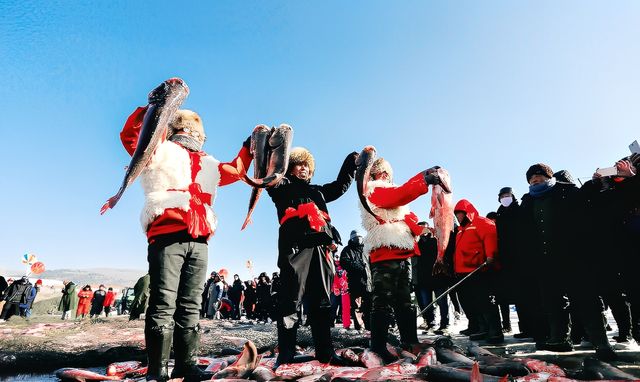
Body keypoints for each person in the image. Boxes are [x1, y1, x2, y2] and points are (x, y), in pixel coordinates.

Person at [118, 96, 253, 381]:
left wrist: (249, 145)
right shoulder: (158, 148)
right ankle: (157, 371)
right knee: (163, 302)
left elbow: (238, 170)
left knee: (191, 303)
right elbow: (131, 137)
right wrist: (153, 108)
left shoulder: (209, 163)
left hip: (200, 238)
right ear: (178, 128)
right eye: (189, 130)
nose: (194, 135)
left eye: (197, 132)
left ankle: (186, 365)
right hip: (167, 232)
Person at [266, 146, 357, 367]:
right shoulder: (280, 186)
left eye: (307, 165)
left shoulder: (318, 191)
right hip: (295, 246)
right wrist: (270, 148)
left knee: (322, 302)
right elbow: (268, 174)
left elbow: (340, 185)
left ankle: (325, 352)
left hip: (322, 249)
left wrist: (352, 161)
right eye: (299, 164)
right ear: (289, 168)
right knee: (290, 300)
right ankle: (286, 353)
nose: (304, 168)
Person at [519, 163, 615, 360]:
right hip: (545, 261)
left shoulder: (567, 192)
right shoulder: (528, 201)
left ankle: (601, 343)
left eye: (539, 176)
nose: (535, 180)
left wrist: (596, 183)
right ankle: (560, 340)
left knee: (586, 298)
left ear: (549, 177)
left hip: (574, 258)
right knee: (553, 302)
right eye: (531, 179)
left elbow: (588, 199)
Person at [359, 158, 445, 361]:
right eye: (380, 172)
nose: (384, 176)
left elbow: (410, 220)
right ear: (371, 176)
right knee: (383, 301)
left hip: (403, 253)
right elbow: (397, 196)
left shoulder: (398, 206)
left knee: (405, 301)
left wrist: (425, 230)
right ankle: (378, 345)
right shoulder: (372, 190)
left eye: (387, 172)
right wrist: (424, 179)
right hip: (384, 252)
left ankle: (410, 340)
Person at [453, 199, 503, 344]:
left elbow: (490, 238)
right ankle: (482, 328)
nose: (458, 217)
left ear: (467, 212)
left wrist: (490, 255)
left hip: (479, 270)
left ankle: (495, 331)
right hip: (463, 272)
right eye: (456, 214)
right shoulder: (460, 230)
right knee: (471, 302)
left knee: (484, 301)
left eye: (460, 213)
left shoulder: (482, 223)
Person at [412, 222, 453, 335]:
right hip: (423, 278)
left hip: (438, 277)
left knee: (442, 301)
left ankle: (444, 323)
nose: (424, 231)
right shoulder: (416, 242)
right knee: (426, 303)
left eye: (425, 228)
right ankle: (431, 323)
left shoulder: (436, 239)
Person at [340, 230, 371, 331]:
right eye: (355, 238)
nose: (358, 239)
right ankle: (359, 327)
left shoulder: (367, 249)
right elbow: (344, 262)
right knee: (357, 306)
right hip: (355, 282)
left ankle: (369, 327)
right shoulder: (347, 250)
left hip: (368, 282)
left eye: (359, 237)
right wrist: (358, 266)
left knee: (369, 305)